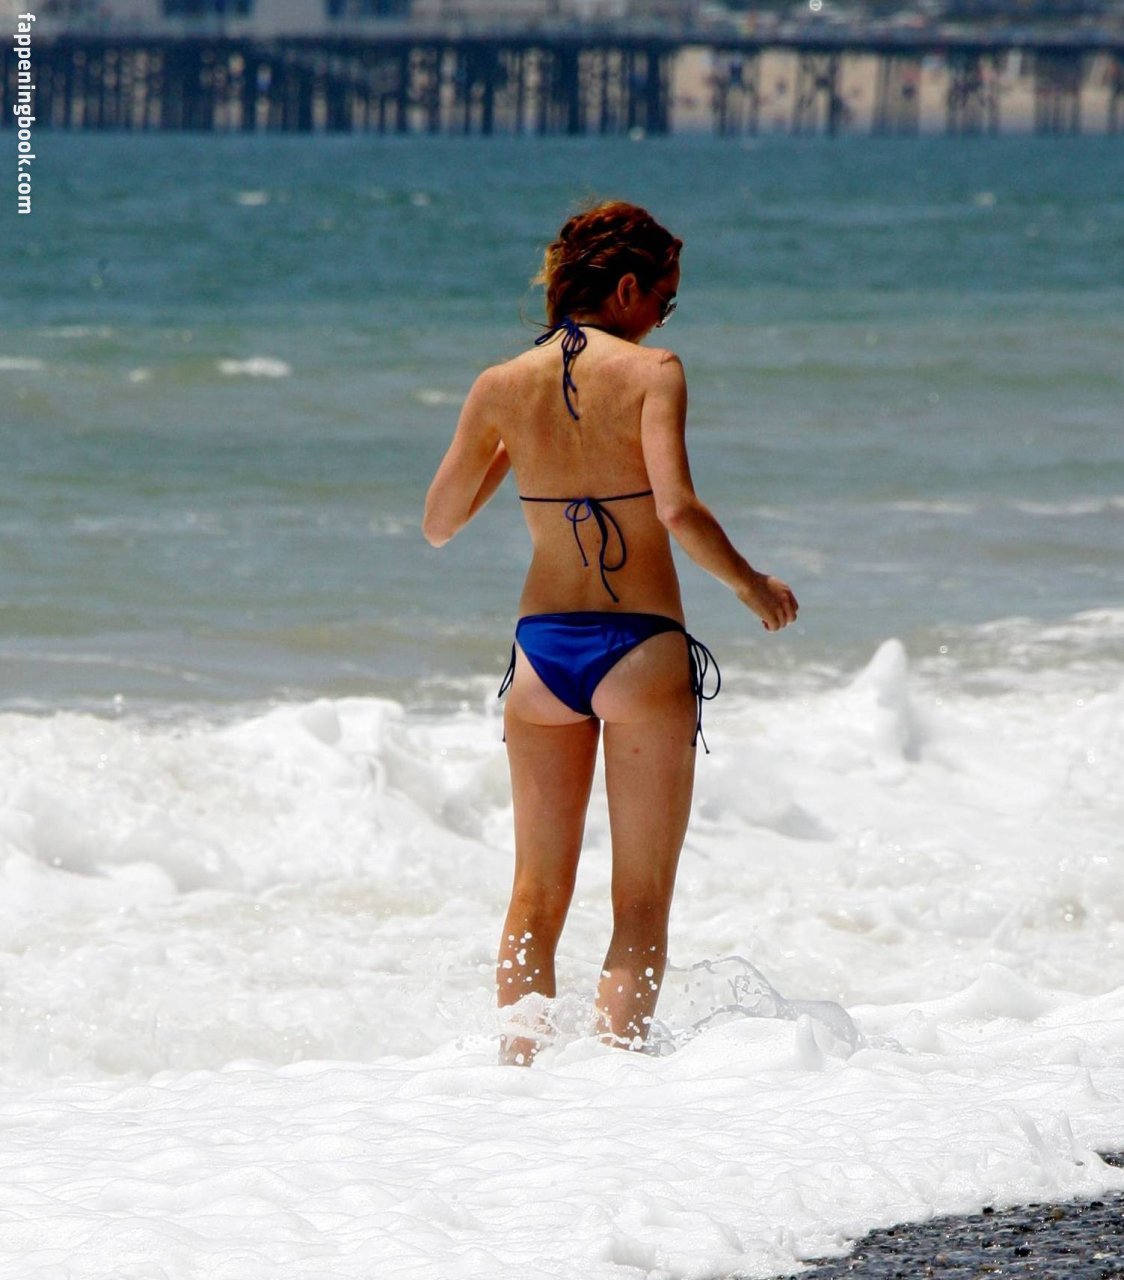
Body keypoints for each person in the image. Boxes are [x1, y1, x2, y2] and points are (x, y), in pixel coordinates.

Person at [423, 200, 797, 1064]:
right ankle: (616, 1087)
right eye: (666, 297)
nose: (664, 317)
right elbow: (678, 510)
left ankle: (518, 1078)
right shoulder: (654, 371)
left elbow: (438, 524)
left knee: (534, 896)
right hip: (640, 648)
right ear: (627, 289)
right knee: (640, 904)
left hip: (541, 656)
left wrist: (514, 449)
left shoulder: (499, 384)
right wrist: (752, 585)